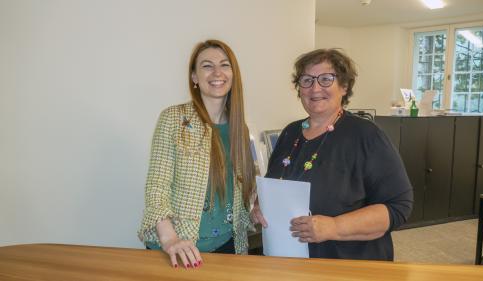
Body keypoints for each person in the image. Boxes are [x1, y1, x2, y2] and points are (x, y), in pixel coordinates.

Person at [251, 48, 413, 261]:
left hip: (348, 266)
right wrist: (260, 205)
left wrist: (334, 227)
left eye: (326, 79)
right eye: (307, 80)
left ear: (344, 86)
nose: (315, 88)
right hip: (290, 262)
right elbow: (276, 185)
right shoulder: (290, 132)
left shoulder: (366, 135)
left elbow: (398, 206)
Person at [138, 39, 255, 269]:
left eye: (224, 64)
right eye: (207, 66)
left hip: (229, 246)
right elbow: (156, 187)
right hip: (180, 250)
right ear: (194, 77)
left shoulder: (240, 129)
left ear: (233, 73)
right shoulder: (172, 119)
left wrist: (257, 204)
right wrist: (170, 239)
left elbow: (241, 188)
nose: (217, 72)